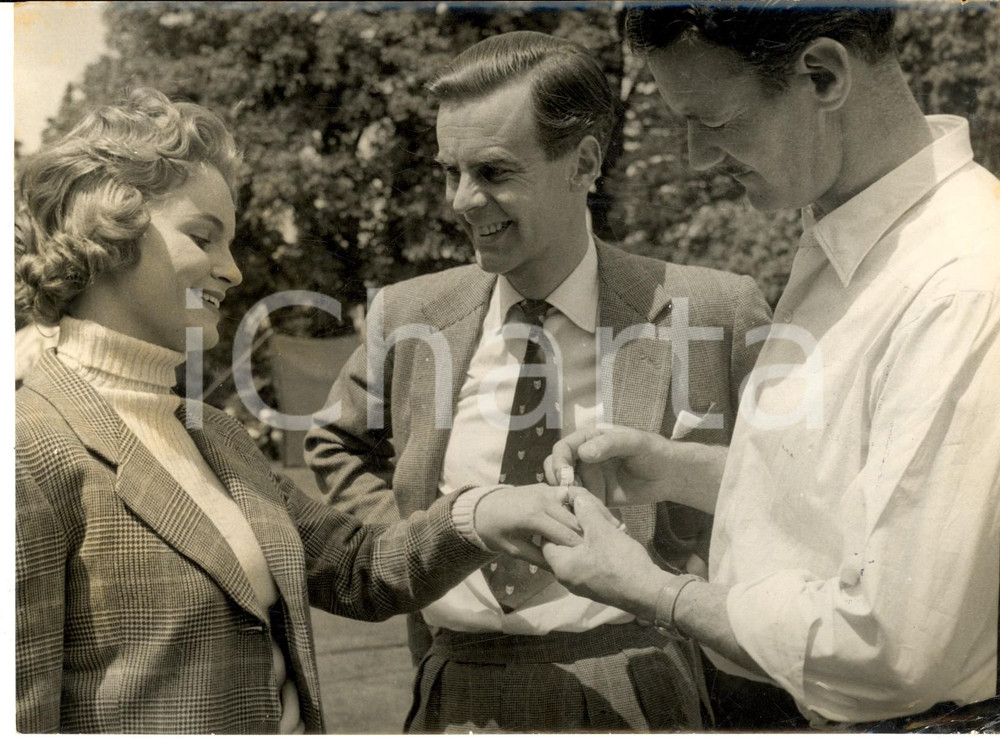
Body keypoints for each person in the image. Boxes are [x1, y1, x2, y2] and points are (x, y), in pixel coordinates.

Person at [13, 87, 593, 734]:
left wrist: (477, 514)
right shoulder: (28, 448)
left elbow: (362, 570)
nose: (231, 270)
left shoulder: (215, 434)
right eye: (203, 237)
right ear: (106, 231)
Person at [543, 3, 1000, 731]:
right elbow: (866, 500)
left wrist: (654, 590)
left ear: (821, 75)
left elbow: (890, 647)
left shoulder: (964, 282)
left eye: (715, 122)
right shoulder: (854, 244)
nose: (695, 157)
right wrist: (675, 470)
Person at [304, 31, 771, 732]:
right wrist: (425, 541)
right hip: (456, 692)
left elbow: (795, 490)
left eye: (492, 171)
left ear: (583, 162)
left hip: (643, 688)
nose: (463, 200)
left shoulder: (712, 311)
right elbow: (335, 443)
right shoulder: (407, 315)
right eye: (449, 171)